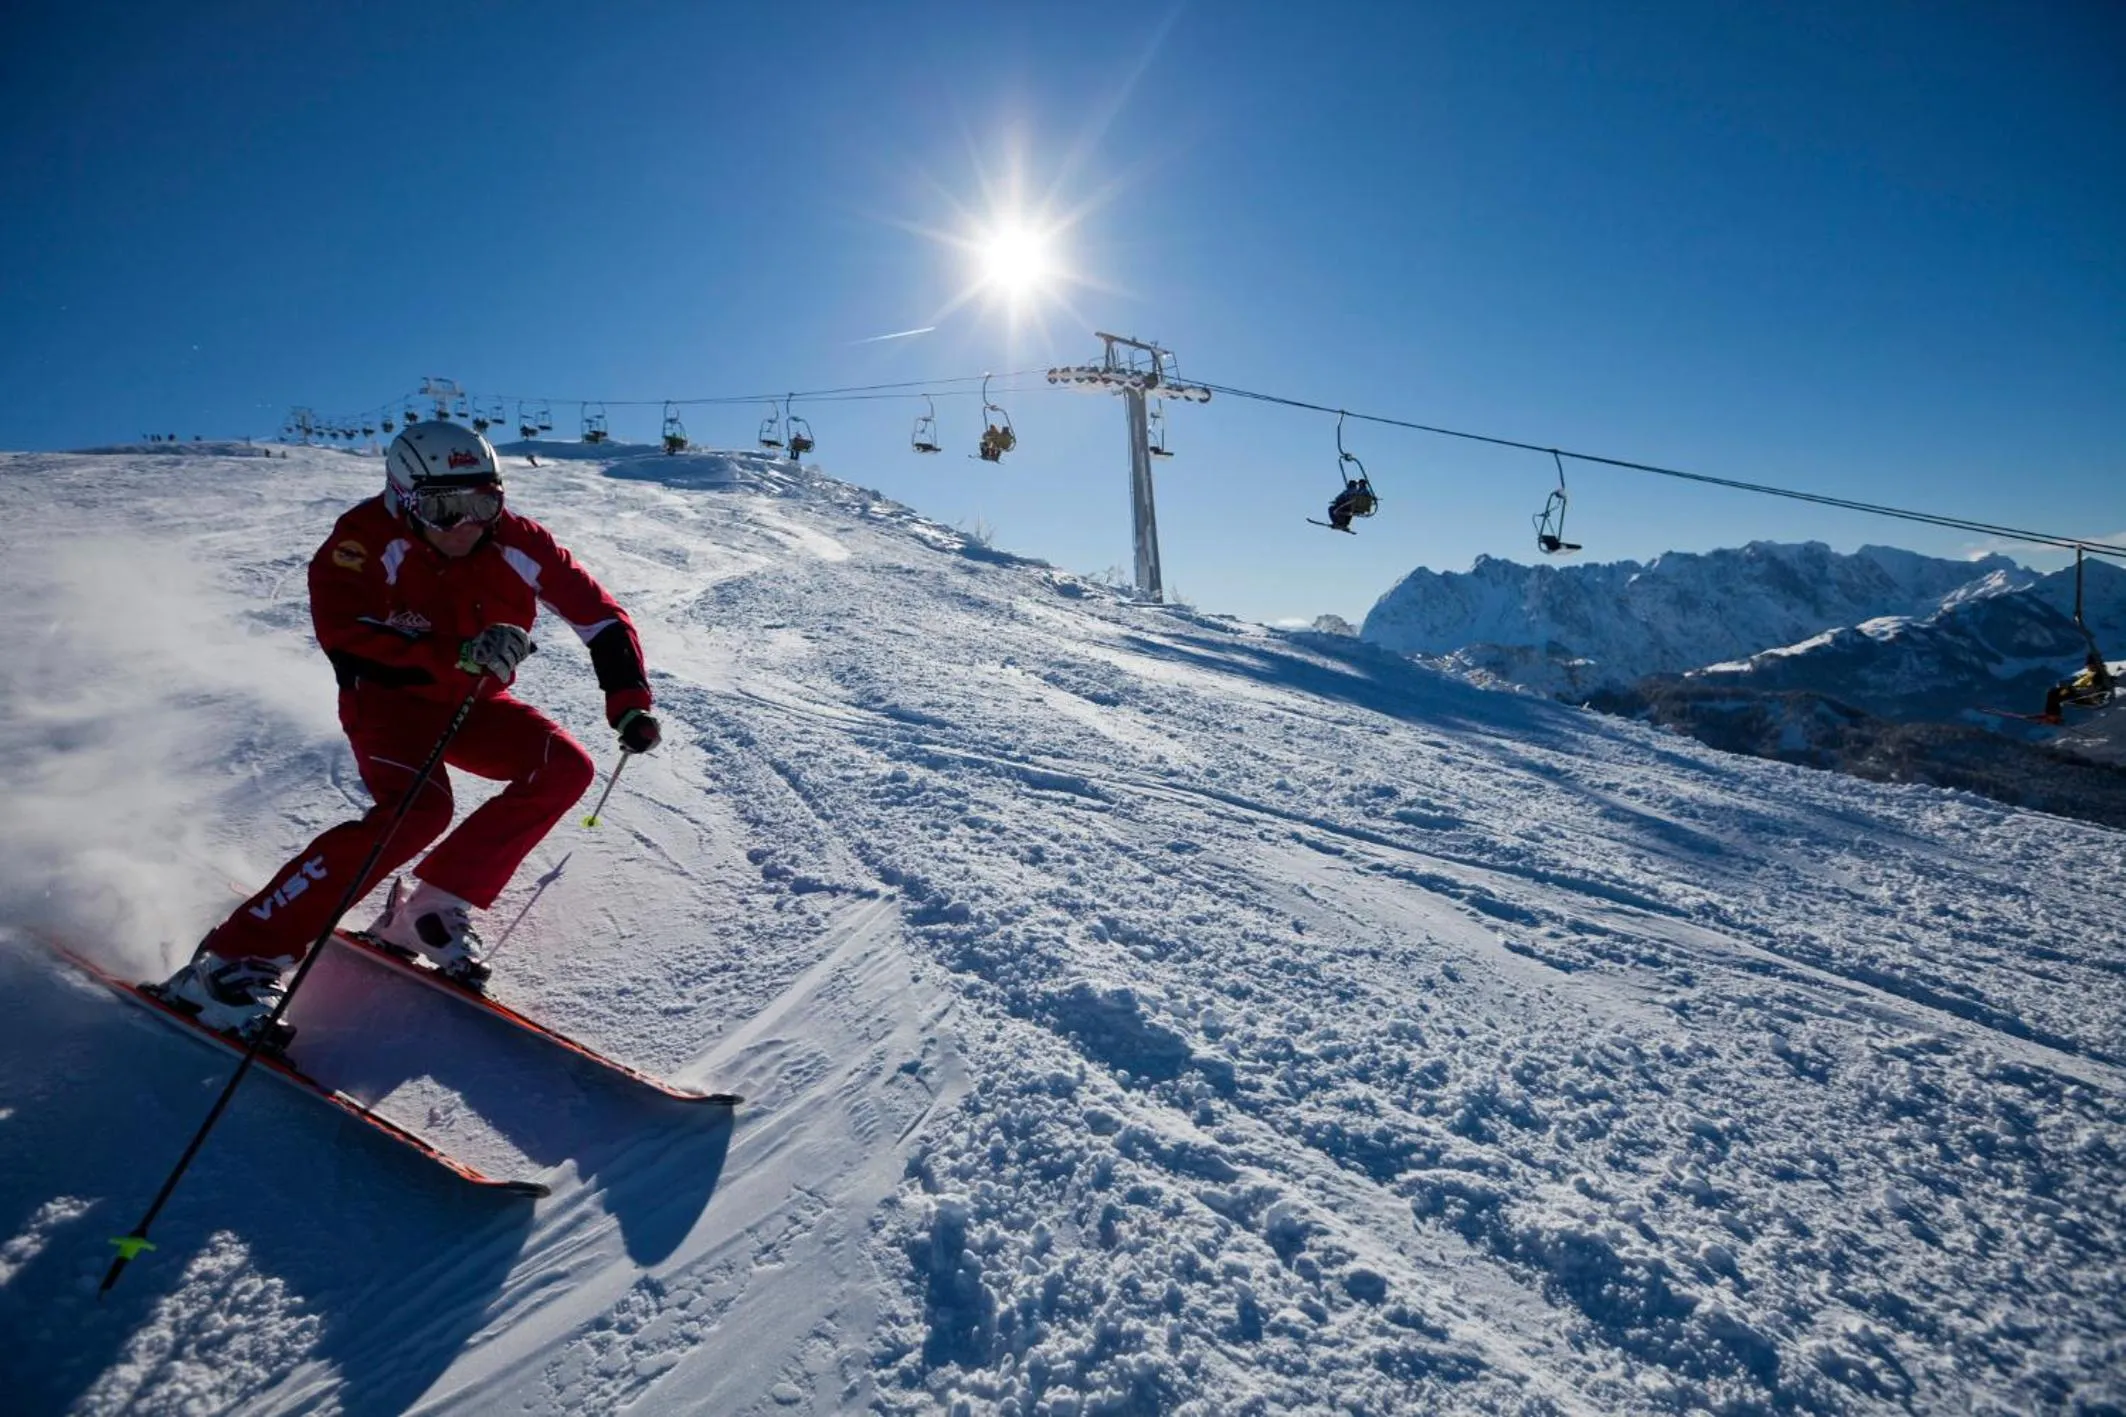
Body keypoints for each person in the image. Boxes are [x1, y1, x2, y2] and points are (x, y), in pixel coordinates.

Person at [158, 422, 661, 1038]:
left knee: (563, 767)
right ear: (403, 497)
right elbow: (346, 638)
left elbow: (601, 619)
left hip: (469, 703)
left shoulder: (519, 542)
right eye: (444, 509)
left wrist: (628, 701)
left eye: (482, 504)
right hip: (388, 703)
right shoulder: (362, 542)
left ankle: (428, 911)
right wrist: (457, 654)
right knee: (417, 813)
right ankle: (231, 961)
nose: (466, 525)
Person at [2040, 649, 2115, 724]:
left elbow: (2094, 688)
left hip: (2081, 694)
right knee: (2054, 693)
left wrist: (2076, 689)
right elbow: (2085, 683)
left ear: (2094, 664)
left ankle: (2053, 716)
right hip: (2077, 691)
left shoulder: (2098, 675)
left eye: (2089, 665)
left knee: (2054, 694)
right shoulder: (2093, 673)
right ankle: (2052, 714)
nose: (2088, 667)